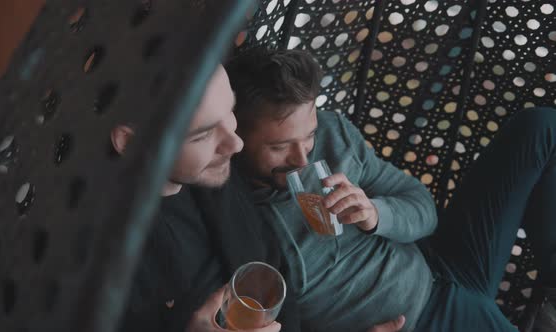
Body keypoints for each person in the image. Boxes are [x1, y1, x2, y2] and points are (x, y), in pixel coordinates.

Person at [226, 47, 556, 331]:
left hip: (438, 261)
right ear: (236, 134)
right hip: (419, 317)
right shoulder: (234, 214)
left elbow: (423, 208)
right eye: (279, 146)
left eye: (308, 135)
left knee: (541, 129)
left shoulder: (333, 134)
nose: (302, 158)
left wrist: (375, 213)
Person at [113, 65, 406, 332]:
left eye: (229, 112)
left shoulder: (216, 177)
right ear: (130, 143)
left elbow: (277, 281)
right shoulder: (109, 263)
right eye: (202, 135)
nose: (236, 143)